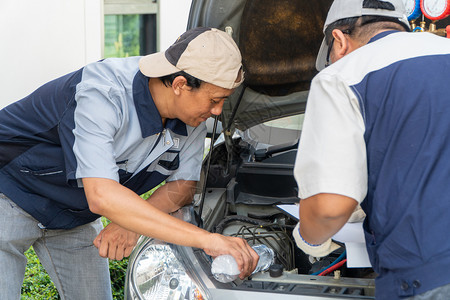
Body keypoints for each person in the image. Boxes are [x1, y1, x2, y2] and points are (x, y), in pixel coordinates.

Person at [0, 26, 258, 299]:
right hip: (11, 193)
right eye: (215, 100)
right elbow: (102, 197)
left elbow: (183, 185)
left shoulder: (191, 116)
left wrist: (129, 222)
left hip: (74, 215)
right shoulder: (103, 93)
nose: (217, 111)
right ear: (181, 84)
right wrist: (209, 241)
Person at [292, 0, 450, 299]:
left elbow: (328, 208)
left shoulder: (341, 76)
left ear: (338, 41)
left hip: (429, 277)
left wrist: (308, 238)